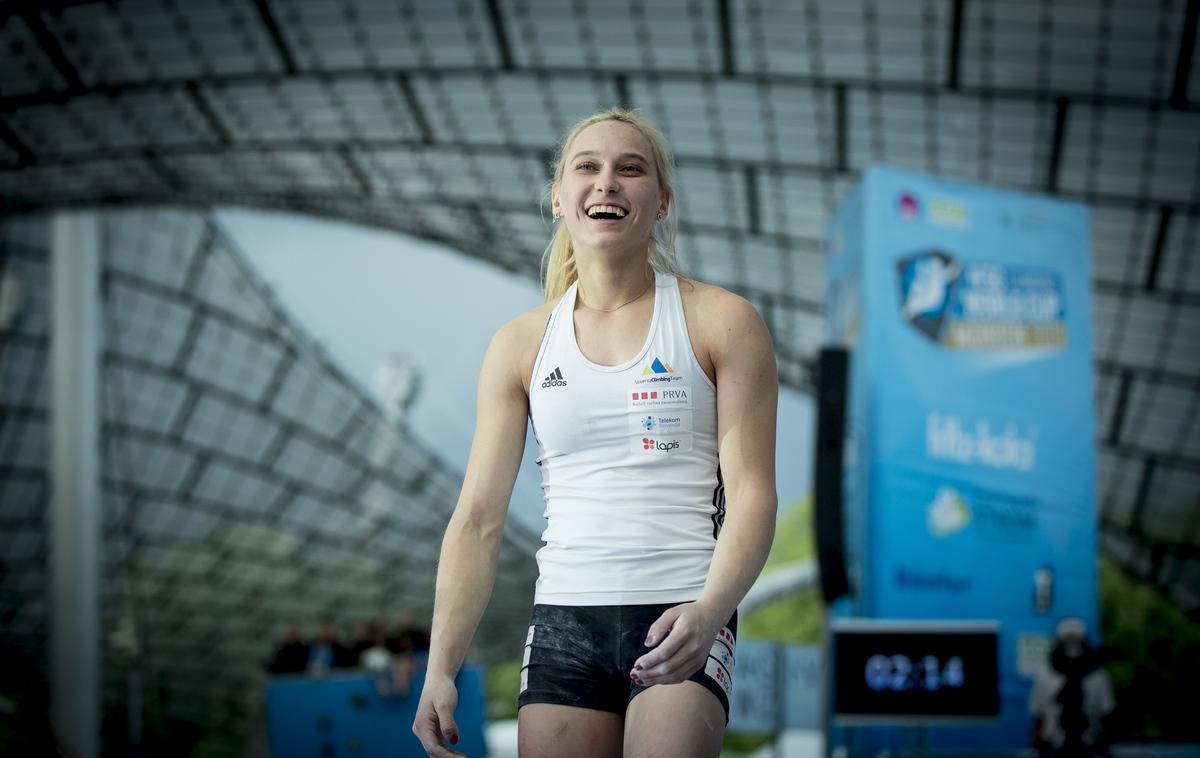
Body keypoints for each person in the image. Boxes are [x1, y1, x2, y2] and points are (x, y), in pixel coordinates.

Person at [411, 108, 778, 758]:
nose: (606, 183)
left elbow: (752, 494)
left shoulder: (721, 322)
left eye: (630, 169)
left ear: (661, 201)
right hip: (564, 622)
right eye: (588, 167)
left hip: (680, 611)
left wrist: (711, 610)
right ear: (558, 197)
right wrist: (440, 669)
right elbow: (476, 520)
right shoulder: (520, 345)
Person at [1029, 617, 1115, 757]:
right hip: (1054, 742)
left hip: (1087, 741)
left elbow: (1104, 714)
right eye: (1068, 640)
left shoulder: (1097, 676)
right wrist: (1038, 741)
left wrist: (1104, 741)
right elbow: (1039, 715)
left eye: (1075, 639)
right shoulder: (1047, 675)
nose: (1072, 646)